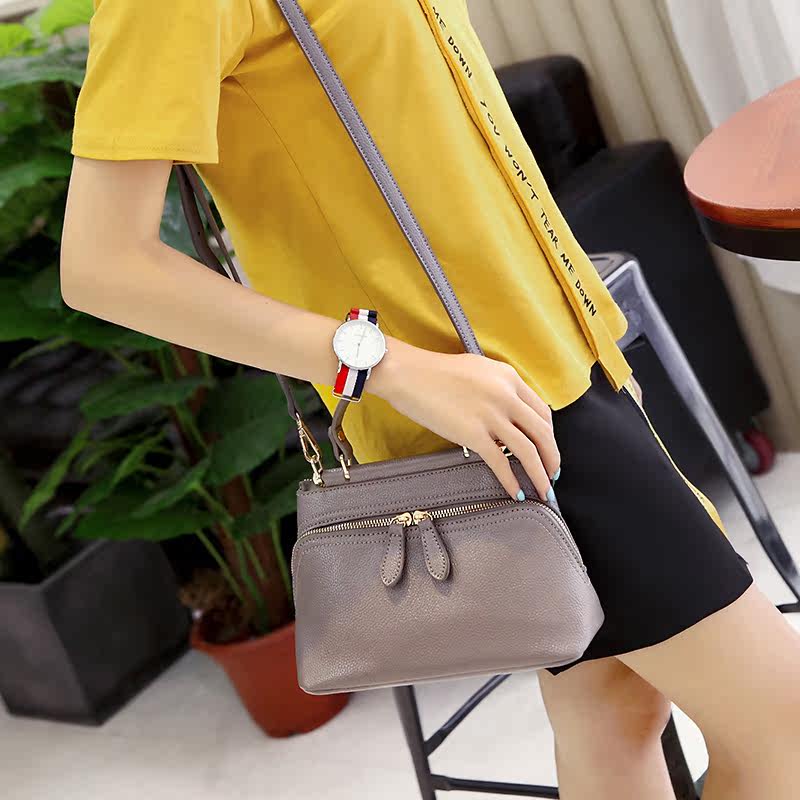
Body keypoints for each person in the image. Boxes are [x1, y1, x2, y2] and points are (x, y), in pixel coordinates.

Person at [61, 1, 800, 797]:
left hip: (558, 367)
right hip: (477, 418)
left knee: (613, 711)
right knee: (781, 727)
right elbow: (103, 264)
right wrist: (385, 364)